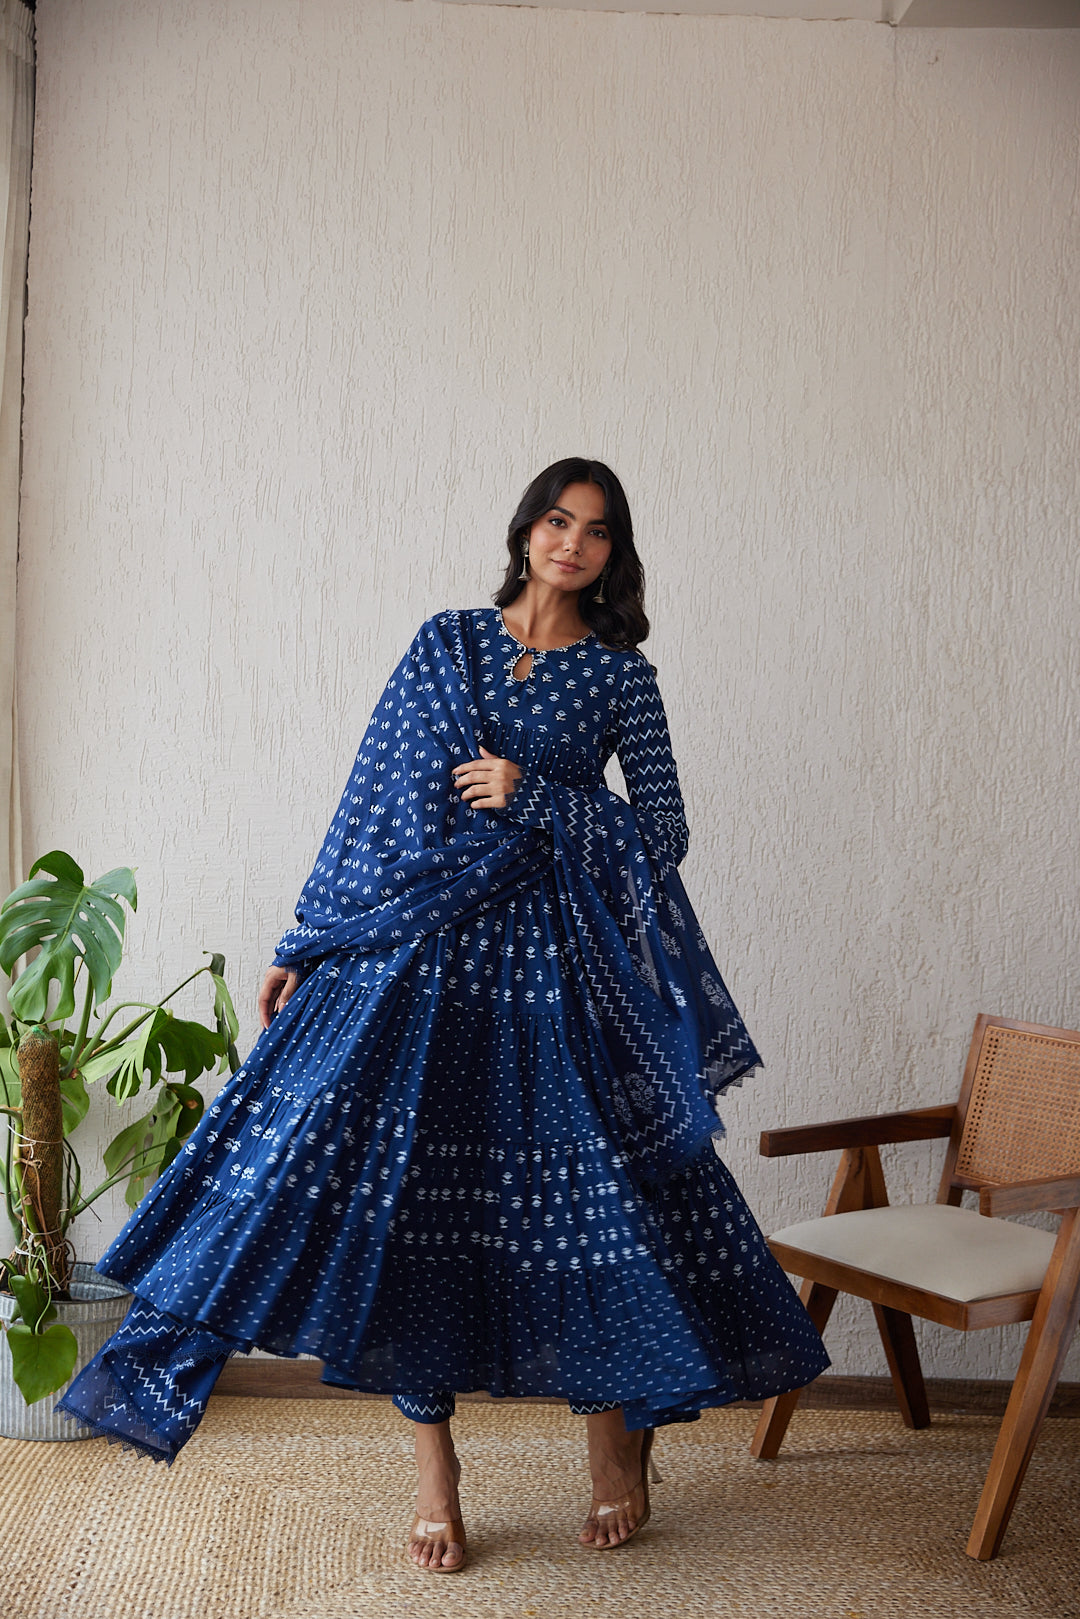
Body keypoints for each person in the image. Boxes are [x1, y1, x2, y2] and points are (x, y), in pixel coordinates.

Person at [59, 458, 828, 1572]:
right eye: (557, 520)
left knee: (590, 1202)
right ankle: (436, 1472)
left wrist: (544, 794)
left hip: (551, 975)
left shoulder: (621, 678)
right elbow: (369, 802)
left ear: (615, 554)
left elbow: (660, 836)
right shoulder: (444, 643)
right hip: (414, 961)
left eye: (597, 530)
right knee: (398, 1200)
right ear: (525, 529)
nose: (572, 542)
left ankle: (616, 1450)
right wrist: (306, 939)